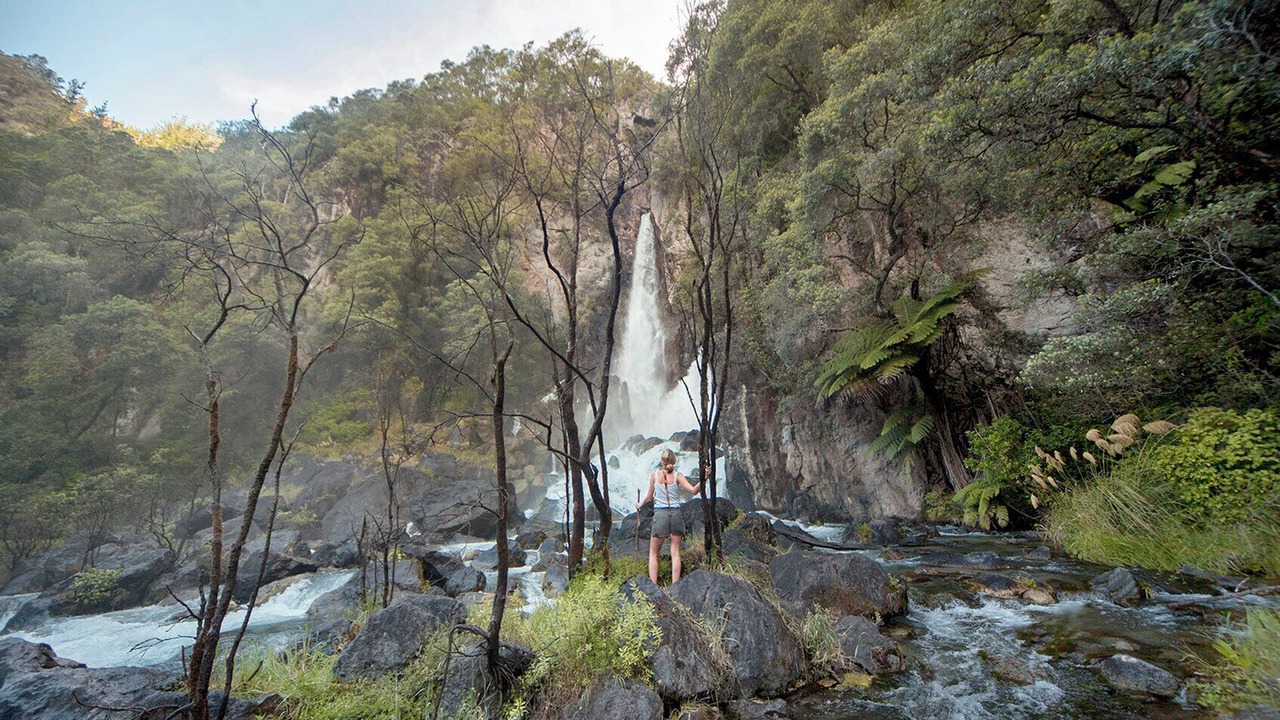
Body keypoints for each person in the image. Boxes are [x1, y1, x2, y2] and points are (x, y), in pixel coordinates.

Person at [636, 448, 702, 585]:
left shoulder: (655, 475)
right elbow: (694, 490)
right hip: (676, 514)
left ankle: (653, 586)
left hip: (660, 515)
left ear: (662, 461)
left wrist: (639, 504)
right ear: (674, 461)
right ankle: (675, 586)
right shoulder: (678, 475)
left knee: (653, 553)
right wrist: (705, 477)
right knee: (676, 553)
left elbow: (649, 497)